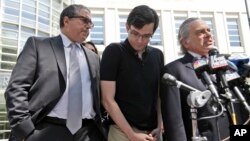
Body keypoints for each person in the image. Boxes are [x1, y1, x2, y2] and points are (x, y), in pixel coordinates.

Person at [4, 4, 106, 141]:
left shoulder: (93, 57)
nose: (88, 26)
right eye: (84, 20)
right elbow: (16, 88)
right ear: (66, 20)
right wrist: (26, 130)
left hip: (87, 132)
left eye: (90, 23)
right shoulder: (38, 46)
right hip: (46, 131)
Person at [100, 5, 164, 141]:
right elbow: (107, 100)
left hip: (152, 132)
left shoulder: (158, 55)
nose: (140, 40)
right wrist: (131, 135)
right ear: (127, 26)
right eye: (135, 33)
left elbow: (158, 96)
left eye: (146, 36)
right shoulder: (114, 51)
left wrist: (160, 124)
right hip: (121, 131)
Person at [160, 17, 230, 141]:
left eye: (209, 30)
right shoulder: (174, 70)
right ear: (185, 42)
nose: (209, 34)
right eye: (201, 32)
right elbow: (174, 122)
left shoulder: (227, 66)